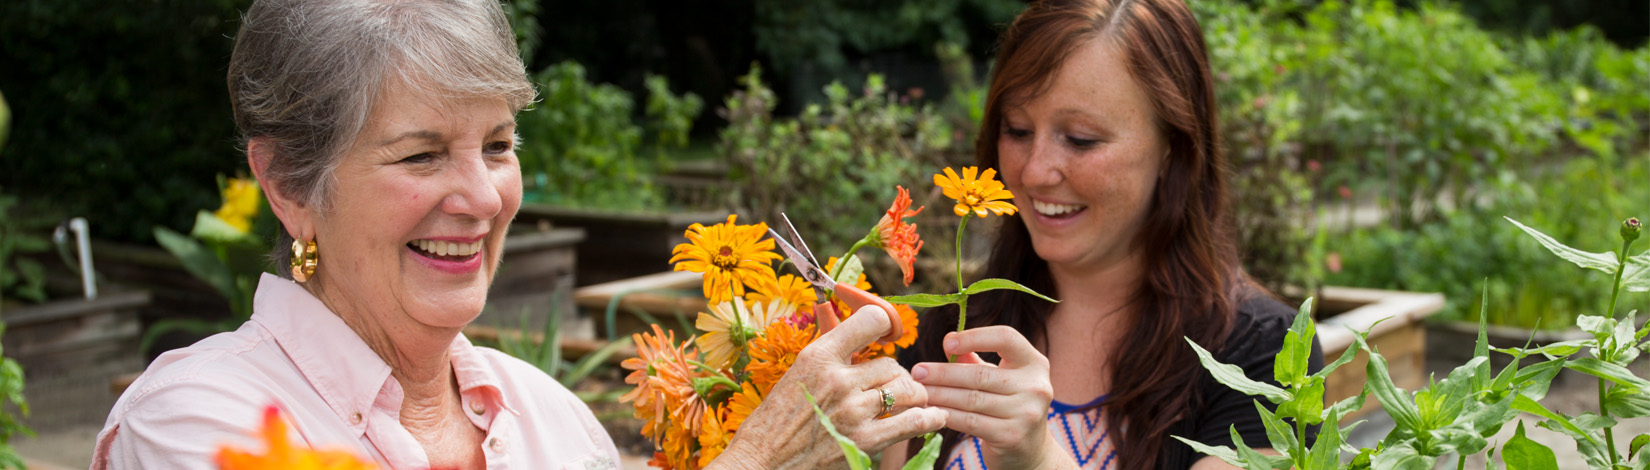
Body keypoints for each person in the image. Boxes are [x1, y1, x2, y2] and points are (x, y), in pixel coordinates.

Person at [91, 0, 942, 468]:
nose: (482, 196)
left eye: (498, 147)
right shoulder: (197, 422)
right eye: (421, 155)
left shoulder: (548, 417)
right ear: (286, 185)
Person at [890, 0, 1325, 469]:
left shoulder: (1260, 353)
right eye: (1016, 130)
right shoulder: (947, 324)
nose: (1034, 173)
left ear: (1171, 148)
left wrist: (1036, 458)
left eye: (1080, 139)